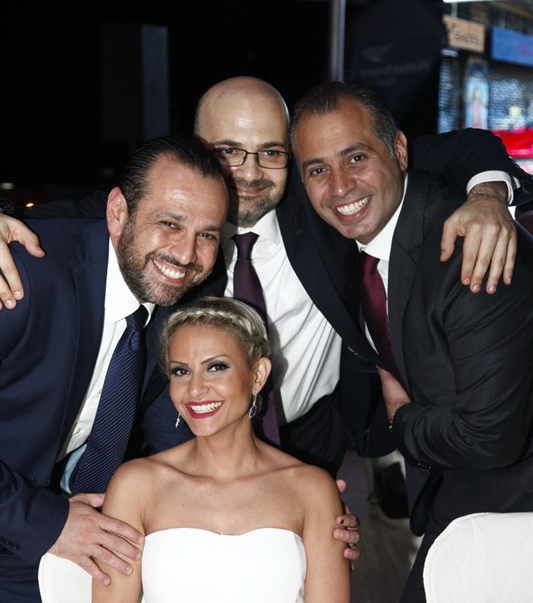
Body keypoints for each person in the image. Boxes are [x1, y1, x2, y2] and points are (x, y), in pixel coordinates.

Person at [0, 77, 531, 482]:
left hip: (311, 448)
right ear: (197, 149)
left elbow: (458, 149)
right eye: (227, 151)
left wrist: (488, 194)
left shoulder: (325, 202)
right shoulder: (167, 227)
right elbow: (60, 222)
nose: (250, 173)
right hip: (182, 451)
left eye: (271, 153)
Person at [0, 133, 230, 603]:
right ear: (118, 211)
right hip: (31, 513)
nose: (186, 254)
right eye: (170, 223)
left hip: (30, 528)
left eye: (208, 235)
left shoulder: (174, 305)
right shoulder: (21, 275)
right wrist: (48, 519)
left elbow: (176, 438)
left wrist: (281, 502)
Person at [289, 80, 533, 603]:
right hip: (460, 482)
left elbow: (491, 437)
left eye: (356, 157)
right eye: (318, 169)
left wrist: (403, 420)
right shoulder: (354, 229)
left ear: (398, 151)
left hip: (514, 492)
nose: (340, 186)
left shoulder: (471, 248)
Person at [91, 295, 350, 603]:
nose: (195, 390)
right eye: (180, 371)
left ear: (258, 374)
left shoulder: (310, 488)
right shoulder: (137, 484)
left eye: (216, 367)